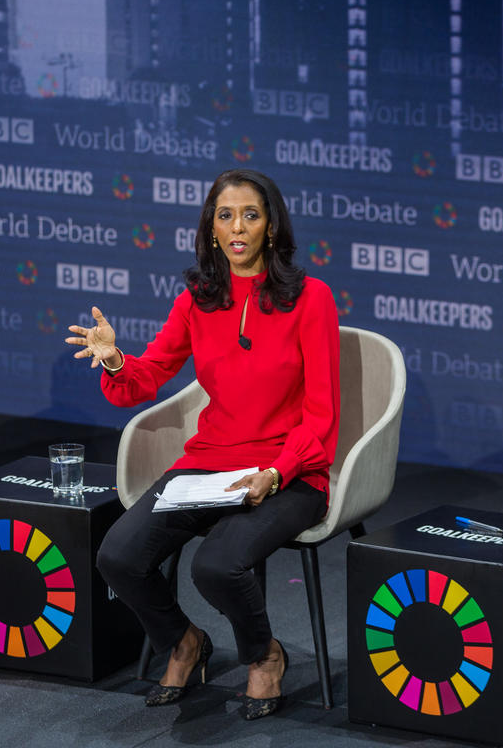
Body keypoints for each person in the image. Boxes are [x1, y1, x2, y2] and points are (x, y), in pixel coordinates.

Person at [66, 168, 340, 720]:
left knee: (215, 566)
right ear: (211, 230)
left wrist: (278, 472)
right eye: (225, 216)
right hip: (210, 465)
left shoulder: (311, 300)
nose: (237, 227)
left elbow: (322, 416)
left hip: (288, 473)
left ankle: (264, 656)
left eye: (251, 215)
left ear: (271, 226)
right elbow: (147, 377)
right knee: (118, 556)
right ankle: (185, 641)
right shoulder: (198, 299)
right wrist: (116, 358)